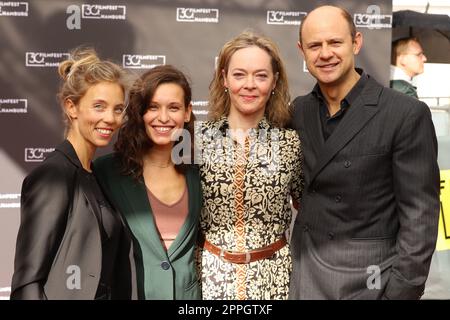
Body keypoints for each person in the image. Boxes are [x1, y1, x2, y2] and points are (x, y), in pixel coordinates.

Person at [289, 5, 440, 300]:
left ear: (356, 42)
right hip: (306, 279)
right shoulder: (299, 110)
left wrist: (399, 292)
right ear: (302, 51)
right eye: (315, 45)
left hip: (369, 283)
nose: (325, 53)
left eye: (335, 42)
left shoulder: (404, 114)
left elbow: (419, 218)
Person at [11, 48, 135, 299]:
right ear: (72, 107)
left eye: (118, 109)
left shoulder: (96, 175)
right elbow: (27, 282)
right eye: (99, 106)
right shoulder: (53, 176)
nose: (110, 118)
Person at [196, 30, 303, 300]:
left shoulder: (291, 143)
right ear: (224, 79)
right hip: (211, 278)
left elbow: (311, 209)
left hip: (275, 280)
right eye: (239, 74)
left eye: (261, 75)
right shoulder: (198, 140)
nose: (250, 84)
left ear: (275, 81)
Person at [93, 65, 201, 300]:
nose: (163, 118)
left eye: (173, 107)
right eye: (153, 107)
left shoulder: (198, 174)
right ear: (140, 112)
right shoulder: (106, 172)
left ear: (187, 112)